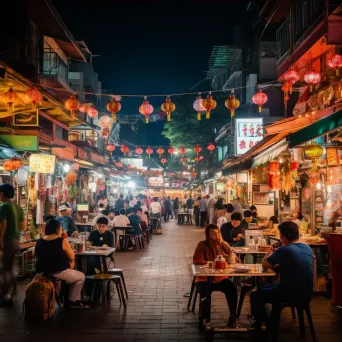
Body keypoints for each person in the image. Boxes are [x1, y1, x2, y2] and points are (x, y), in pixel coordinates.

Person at [250, 221, 314, 328]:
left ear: (282, 236)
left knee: (255, 294)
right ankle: (270, 319)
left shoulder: (284, 249)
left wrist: (270, 250)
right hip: (307, 294)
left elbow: (264, 264)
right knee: (267, 288)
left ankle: (263, 323)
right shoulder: (307, 248)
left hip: (288, 294)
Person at [34, 219, 89, 309]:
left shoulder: (39, 241)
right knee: (81, 276)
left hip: (42, 272)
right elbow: (71, 257)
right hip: (58, 272)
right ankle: (73, 300)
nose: (61, 230)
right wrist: (71, 263)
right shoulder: (62, 241)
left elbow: (35, 254)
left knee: (61, 278)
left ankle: (59, 297)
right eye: (60, 228)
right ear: (57, 229)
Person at [193, 224, 238, 328]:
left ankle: (233, 317)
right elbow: (196, 260)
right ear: (207, 235)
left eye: (217, 233)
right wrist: (211, 263)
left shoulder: (224, 245)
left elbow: (234, 258)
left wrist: (230, 257)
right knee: (205, 291)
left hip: (220, 278)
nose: (216, 236)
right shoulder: (202, 245)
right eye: (212, 234)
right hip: (203, 279)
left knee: (232, 288)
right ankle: (205, 318)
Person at [0, 184, 24, 306]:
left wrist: (0, 239)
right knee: (11, 268)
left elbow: (3, 224)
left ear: (2, 194)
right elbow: (22, 226)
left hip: (8, 240)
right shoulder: (18, 207)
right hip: (16, 240)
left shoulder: (4, 206)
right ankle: (13, 293)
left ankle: (5, 296)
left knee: (6, 269)